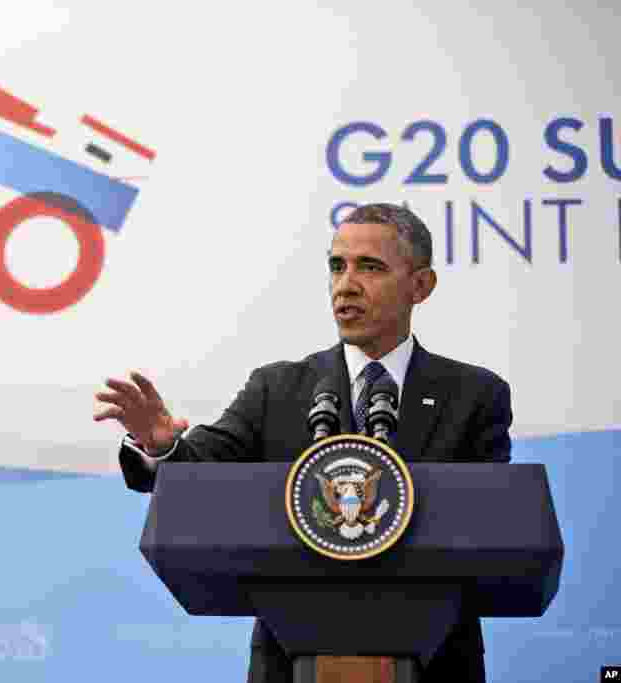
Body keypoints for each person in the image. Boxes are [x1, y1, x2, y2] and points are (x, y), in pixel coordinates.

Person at [93, 203, 511, 683]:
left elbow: (488, 526)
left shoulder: (474, 395)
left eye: (370, 267)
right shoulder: (278, 388)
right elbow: (199, 470)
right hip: (291, 664)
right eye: (337, 266)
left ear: (421, 285)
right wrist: (161, 445)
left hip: (435, 663)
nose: (346, 285)